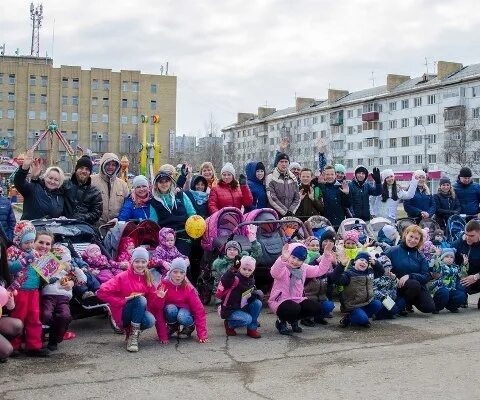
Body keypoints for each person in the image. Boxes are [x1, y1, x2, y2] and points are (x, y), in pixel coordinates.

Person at [97, 247, 159, 352]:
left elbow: (153, 302)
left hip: (137, 313)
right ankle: (133, 336)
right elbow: (101, 292)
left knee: (150, 320)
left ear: (147, 263)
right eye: (137, 261)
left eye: (143, 261)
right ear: (132, 261)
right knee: (141, 299)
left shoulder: (148, 278)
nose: (140, 265)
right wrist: (123, 300)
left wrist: (159, 297)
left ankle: (133, 334)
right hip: (122, 314)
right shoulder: (122, 277)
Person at [268, 242, 335, 335]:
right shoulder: (283, 267)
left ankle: (294, 320)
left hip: (297, 300)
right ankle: (281, 321)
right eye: (293, 257)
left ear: (303, 261)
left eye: (299, 260)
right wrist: (283, 259)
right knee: (293, 308)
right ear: (289, 255)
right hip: (280, 301)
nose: (295, 261)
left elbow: (320, 270)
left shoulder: (303, 268)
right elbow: (274, 272)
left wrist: (326, 255)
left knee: (316, 308)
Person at [7, 221, 49, 357]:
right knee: (18, 317)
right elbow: (9, 267)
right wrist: (24, 261)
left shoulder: (35, 252)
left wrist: (50, 274)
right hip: (18, 290)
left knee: (34, 317)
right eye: (27, 242)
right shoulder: (13, 251)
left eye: (32, 241)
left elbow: (44, 268)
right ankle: (14, 346)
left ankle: (34, 346)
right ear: (18, 240)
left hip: (34, 290)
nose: (30, 245)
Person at [41, 244, 87, 351]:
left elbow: (83, 279)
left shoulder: (70, 272)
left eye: (66, 261)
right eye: (60, 260)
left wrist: (72, 269)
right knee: (46, 314)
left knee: (65, 316)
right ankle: (42, 335)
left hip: (64, 298)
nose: (62, 264)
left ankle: (55, 339)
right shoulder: (48, 268)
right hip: (48, 296)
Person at [154, 258, 208, 343]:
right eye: (175, 272)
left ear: (185, 274)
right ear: (170, 272)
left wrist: (202, 334)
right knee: (170, 308)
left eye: (182, 272)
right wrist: (162, 336)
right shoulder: (163, 286)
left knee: (182, 316)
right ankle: (172, 326)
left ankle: (189, 327)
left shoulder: (189, 288)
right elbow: (157, 310)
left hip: (185, 312)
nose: (178, 275)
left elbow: (199, 310)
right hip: (170, 310)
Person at [385, 225, 435, 314]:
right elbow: (382, 266)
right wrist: (392, 277)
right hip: (395, 285)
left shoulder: (420, 255)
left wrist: (409, 276)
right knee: (414, 285)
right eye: (411, 236)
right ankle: (400, 305)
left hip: (414, 286)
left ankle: (408, 302)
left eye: (416, 238)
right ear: (406, 234)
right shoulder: (392, 250)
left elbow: (426, 276)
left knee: (429, 307)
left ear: (419, 240)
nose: (412, 240)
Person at [149, 170, 196, 255]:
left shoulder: (180, 195)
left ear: (170, 182)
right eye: (161, 182)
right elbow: (153, 223)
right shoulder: (153, 202)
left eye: (166, 181)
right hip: (165, 237)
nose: (164, 184)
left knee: (180, 261)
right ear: (156, 184)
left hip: (183, 235)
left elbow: (192, 213)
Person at [332, 252, 383, 328]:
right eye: (361, 260)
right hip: (353, 306)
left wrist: (375, 263)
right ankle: (348, 318)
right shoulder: (348, 274)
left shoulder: (369, 273)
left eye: (366, 262)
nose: (364, 263)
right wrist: (341, 265)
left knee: (377, 304)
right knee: (362, 319)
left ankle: (363, 318)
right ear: (355, 261)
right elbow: (336, 279)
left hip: (366, 303)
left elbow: (381, 272)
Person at [14, 149, 66, 220]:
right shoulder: (34, 188)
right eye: (50, 178)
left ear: (60, 182)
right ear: (45, 177)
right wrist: (24, 168)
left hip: (50, 230)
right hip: (31, 229)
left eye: (56, 180)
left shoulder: (60, 196)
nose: (52, 181)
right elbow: (19, 182)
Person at [220, 256, 263, 338]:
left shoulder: (251, 279)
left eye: (249, 270)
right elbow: (224, 280)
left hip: (243, 306)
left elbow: (248, 295)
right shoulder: (235, 277)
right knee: (247, 319)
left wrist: (255, 294)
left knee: (258, 303)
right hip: (231, 309)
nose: (247, 272)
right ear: (240, 268)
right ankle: (229, 324)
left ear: (253, 270)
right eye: (244, 269)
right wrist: (234, 268)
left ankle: (252, 329)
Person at [91, 153, 129, 226]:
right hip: (95, 227)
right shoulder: (91, 181)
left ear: (117, 167)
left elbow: (127, 207)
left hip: (115, 228)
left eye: (113, 165)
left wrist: (120, 220)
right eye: (108, 164)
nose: (110, 167)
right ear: (103, 165)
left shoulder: (123, 184)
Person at [63, 155, 103, 225]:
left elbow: (97, 213)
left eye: (87, 169)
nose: (84, 171)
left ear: (90, 172)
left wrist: (81, 218)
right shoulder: (64, 185)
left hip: (84, 228)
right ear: (76, 169)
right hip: (64, 226)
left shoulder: (95, 192)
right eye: (81, 168)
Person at [0, 240, 23, 361]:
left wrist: (10, 305)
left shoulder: (3, 273)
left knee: (17, 325)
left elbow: (7, 308)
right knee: (6, 351)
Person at [428, 248, 467, 313]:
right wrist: (437, 256)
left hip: (451, 289)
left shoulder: (455, 267)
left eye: (451, 257)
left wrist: (464, 264)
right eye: (446, 256)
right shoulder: (440, 265)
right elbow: (433, 267)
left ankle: (451, 306)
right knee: (444, 293)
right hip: (440, 288)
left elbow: (462, 275)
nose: (449, 258)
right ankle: (436, 307)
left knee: (461, 295)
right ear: (442, 258)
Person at [453, 220, 480, 307]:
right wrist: (460, 240)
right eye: (466, 234)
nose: (468, 238)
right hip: (463, 278)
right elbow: (447, 251)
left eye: (472, 236)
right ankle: (463, 297)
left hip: (478, 277)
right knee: (458, 300)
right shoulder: (460, 241)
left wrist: (476, 277)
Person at [266, 153, 300, 217]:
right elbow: (272, 197)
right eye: (281, 161)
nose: (284, 164)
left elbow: (297, 198)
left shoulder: (293, 177)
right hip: (275, 215)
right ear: (277, 163)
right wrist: (285, 212)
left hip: (290, 215)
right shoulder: (270, 177)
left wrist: (291, 211)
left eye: (286, 162)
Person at [320, 165, 350, 230]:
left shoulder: (340, 187)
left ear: (335, 175)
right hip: (326, 224)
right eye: (327, 174)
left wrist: (346, 194)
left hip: (339, 224)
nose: (330, 176)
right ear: (324, 175)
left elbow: (348, 205)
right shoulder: (321, 188)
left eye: (332, 174)